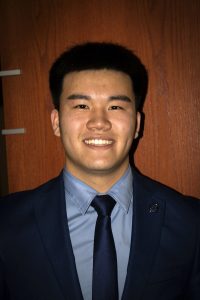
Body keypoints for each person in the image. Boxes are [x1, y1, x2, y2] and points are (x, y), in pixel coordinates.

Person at [0, 42, 199, 300]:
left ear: (137, 124)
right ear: (56, 122)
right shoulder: (6, 223)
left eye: (115, 107)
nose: (99, 123)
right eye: (82, 106)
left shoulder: (190, 223)